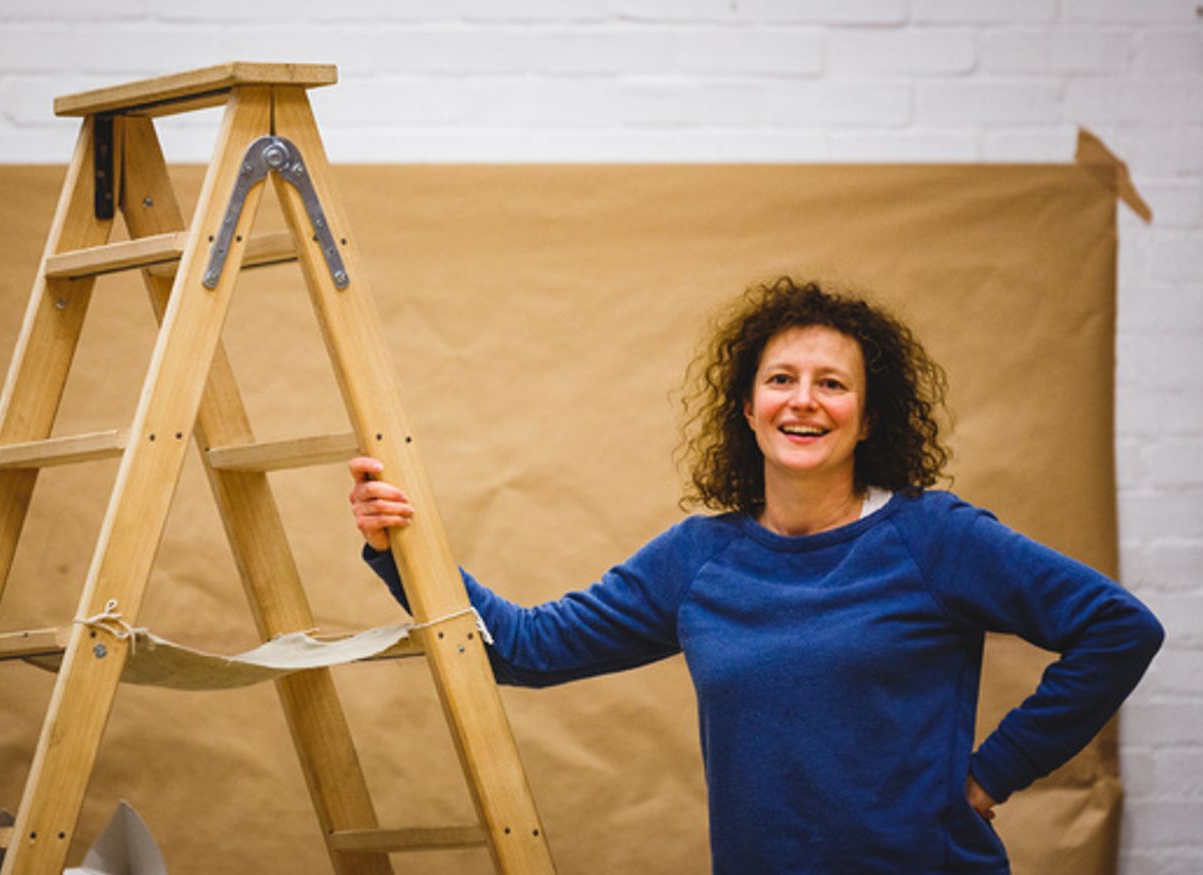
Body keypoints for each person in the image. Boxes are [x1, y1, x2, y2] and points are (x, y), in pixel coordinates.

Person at [346, 277, 1164, 874]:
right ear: (747, 406)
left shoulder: (932, 537)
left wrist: (991, 772)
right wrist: (402, 548)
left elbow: (1119, 628)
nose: (803, 401)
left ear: (869, 417)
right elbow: (524, 648)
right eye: (781, 380)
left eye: (832, 384)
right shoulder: (699, 558)